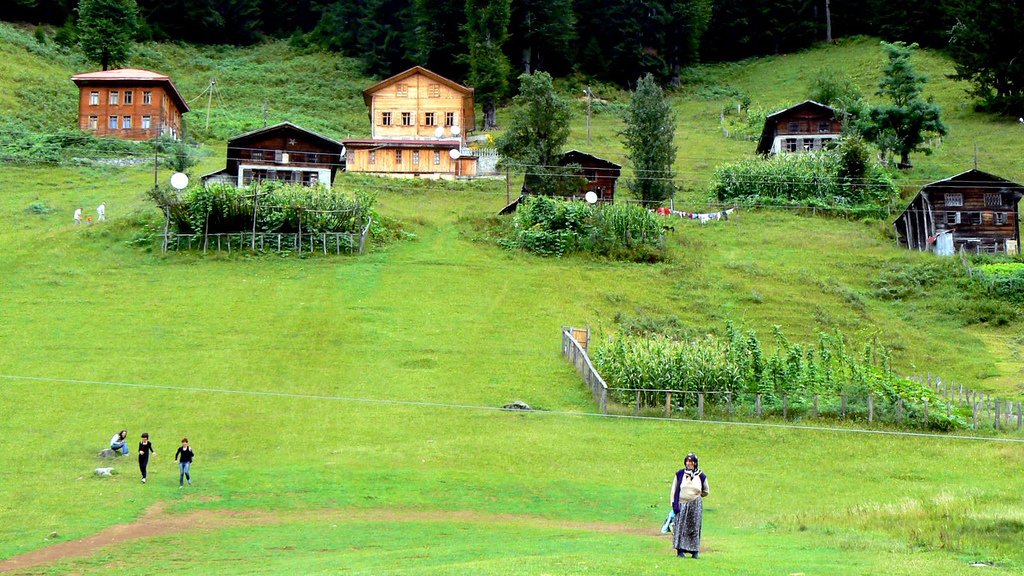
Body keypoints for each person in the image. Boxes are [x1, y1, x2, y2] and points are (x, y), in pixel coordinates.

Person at [670, 452, 709, 559]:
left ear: (695, 463)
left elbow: (706, 491)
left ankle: (694, 551)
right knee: (681, 527)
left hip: (695, 504)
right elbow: (674, 490)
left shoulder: (701, 475)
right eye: (687, 461)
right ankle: (680, 550)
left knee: (694, 527)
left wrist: (696, 496)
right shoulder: (680, 474)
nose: (689, 463)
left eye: (691, 462)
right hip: (682, 503)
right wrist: (674, 504)